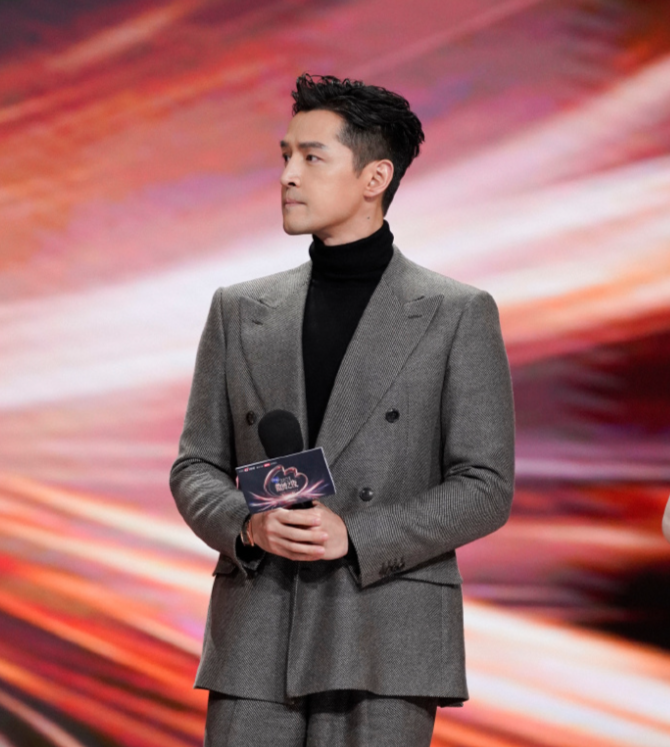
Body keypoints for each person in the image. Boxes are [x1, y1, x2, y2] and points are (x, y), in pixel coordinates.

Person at [170, 73, 515, 747]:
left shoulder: (456, 313)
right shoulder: (239, 309)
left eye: (312, 156)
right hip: (259, 626)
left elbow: (485, 486)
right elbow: (196, 465)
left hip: (386, 631)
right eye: (285, 156)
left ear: (374, 177)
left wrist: (356, 534)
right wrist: (249, 525)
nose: (288, 176)